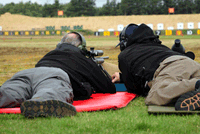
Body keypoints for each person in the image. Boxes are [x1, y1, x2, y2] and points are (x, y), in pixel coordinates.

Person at [0, 32, 117, 118]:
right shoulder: (82, 59)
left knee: (11, 91)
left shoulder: (50, 54)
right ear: (81, 47)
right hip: (55, 75)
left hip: (27, 73)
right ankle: (40, 102)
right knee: (49, 92)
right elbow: (108, 87)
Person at [112, 23, 200, 111]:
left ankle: (196, 84)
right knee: (177, 87)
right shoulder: (158, 46)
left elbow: (133, 88)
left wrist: (125, 78)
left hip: (169, 66)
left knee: (157, 94)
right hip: (191, 64)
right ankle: (195, 85)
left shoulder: (125, 55)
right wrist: (123, 77)